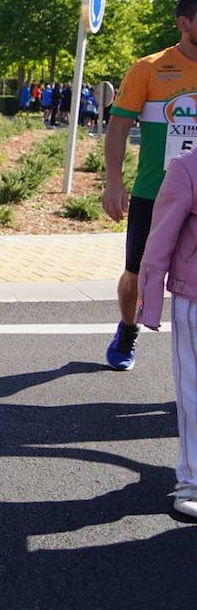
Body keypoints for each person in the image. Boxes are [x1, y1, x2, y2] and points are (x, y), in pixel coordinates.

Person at [102, 0, 197, 370]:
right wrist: (113, 182)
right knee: (136, 272)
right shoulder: (149, 68)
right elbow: (119, 124)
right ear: (184, 23)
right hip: (154, 193)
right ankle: (128, 331)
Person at [138, 146, 197, 517]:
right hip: (194, 298)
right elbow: (159, 238)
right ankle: (191, 479)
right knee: (193, 390)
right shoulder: (187, 168)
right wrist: (150, 302)